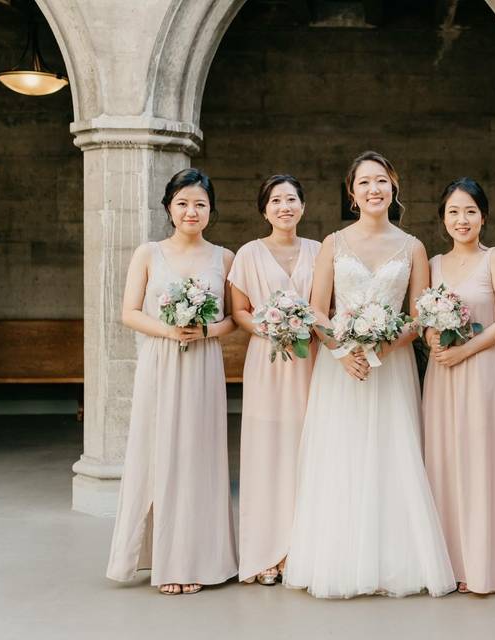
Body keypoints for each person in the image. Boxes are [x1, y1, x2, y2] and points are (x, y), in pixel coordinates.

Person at [283, 151, 455, 598]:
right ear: (352, 192)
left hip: (393, 366)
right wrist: (343, 351)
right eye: (364, 183)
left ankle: (394, 561)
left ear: (393, 187)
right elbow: (318, 310)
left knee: (392, 454)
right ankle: (338, 561)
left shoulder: (413, 246)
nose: (374, 189)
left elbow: (418, 317)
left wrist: (382, 343)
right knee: (341, 456)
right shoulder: (333, 244)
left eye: (381, 181)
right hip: (341, 368)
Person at [107, 168, 238, 595]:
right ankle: (163, 559)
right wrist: (169, 330)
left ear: (211, 211)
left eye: (200, 204)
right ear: (168, 208)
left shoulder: (224, 258)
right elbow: (129, 312)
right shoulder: (148, 253)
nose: (191, 211)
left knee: (199, 456)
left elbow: (234, 319)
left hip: (202, 364)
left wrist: (204, 331)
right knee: (158, 454)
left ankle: (201, 558)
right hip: (160, 363)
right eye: (182, 203)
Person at [422, 178, 495, 594]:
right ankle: (447, 561)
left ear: (484, 216)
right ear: (443, 218)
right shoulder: (434, 264)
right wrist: (431, 338)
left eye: (470, 211)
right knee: (442, 461)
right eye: (454, 212)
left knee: (479, 462)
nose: (462, 220)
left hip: (479, 371)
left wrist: (465, 351)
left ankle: (481, 563)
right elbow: (423, 317)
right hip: (441, 374)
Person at [229, 175, 321, 585]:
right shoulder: (249, 253)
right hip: (268, 361)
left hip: (310, 361)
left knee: (308, 450)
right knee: (268, 452)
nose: (285, 207)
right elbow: (240, 311)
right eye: (276, 200)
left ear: (303, 206)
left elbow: (327, 306)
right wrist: (271, 328)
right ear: (264, 209)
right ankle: (266, 550)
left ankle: (302, 549)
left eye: (292, 199)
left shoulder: (320, 252)